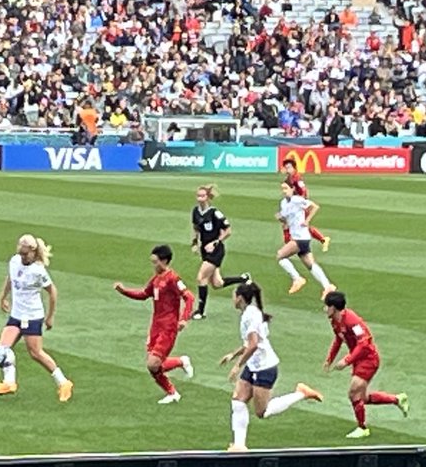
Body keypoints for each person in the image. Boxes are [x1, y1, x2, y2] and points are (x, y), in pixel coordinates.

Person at [220, 282, 323, 451]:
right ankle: (239, 445)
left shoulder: (250, 315)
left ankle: (301, 394)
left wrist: (238, 366)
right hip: (254, 366)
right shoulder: (250, 313)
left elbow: (253, 345)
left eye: (233, 296)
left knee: (262, 412)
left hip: (264, 368)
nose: (232, 299)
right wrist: (233, 354)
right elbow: (251, 343)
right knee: (238, 401)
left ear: (239, 298)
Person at [0, 234, 74, 402]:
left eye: (25, 254)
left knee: (35, 353)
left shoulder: (38, 271)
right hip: (16, 315)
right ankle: (9, 383)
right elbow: (11, 278)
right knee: (1, 352)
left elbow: (52, 292)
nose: (22, 257)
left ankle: (64, 383)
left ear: (33, 252)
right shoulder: (14, 261)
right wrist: (2, 296)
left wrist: (50, 317)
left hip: (32, 316)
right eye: (21, 253)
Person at [114, 245, 195, 404]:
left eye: (155, 262)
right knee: (153, 365)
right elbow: (144, 294)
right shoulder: (156, 279)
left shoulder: (173, 278)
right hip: (155, 327)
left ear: (164, 261)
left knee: (153, 364)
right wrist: (124, 291)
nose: (153, 265)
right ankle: (175, 383)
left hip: (168, 328)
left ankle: (174, 384)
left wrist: (184, 318)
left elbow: (189, 297)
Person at [322, 291, 408, 439]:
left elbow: (364, 343)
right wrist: (330, 359)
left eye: (326, 306)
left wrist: (347, 360)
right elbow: (338, 339)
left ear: (333, 308)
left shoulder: (352, 321)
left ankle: (362, 428)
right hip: (358, 360)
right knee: (361, 397)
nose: (324, 309)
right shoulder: (335, 321)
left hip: (368, 359)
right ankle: (397, 399)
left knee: (353, 393)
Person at [190, 184, 250, 320]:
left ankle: (200, 311)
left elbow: (228, 231)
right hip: (205, 250)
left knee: (201, 277)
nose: (200, 199)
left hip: (216, 251)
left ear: (207, 197)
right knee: (217, 284)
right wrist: (194, 243)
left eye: (202, 196)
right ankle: (244, 279)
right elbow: (195, 227)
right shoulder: (195, 211)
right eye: (198, 196)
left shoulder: (215, 213)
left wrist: (215, 242)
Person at [276, 180, 335, 298]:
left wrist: (307, 221)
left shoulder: (297, 200)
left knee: (280, 256)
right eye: (282, 189)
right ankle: (328, 286)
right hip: (298, 236)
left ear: (292, 189)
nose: (284, 191)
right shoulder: (283, 203)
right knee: (310, 265)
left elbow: (314, 206)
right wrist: (281, 219)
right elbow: (287, 220)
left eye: (286, 188)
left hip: (301, 237)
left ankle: (297, 278)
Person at [280, 159, 330, 251]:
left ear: (294, 168)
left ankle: (322, 239)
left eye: (289, 167)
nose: (287, 169)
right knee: (290, 223)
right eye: (286, 167)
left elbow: (303, 190)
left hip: (299, 204)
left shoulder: (297, 178)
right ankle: (292, 243)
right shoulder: (289, 178)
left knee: (301, 225)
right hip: (294, 204)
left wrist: (302, 201)